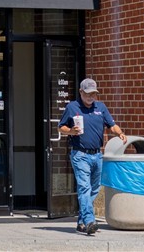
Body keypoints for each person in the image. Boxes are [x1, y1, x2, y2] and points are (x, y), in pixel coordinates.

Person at [58, 78, 126, 236]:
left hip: (97, 154)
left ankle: (81, 222)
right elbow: (61, 127)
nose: (91, 97)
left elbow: (111, 125)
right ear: (81, 92)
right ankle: (89, 221)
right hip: (80, 154)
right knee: (84, 188)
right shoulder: (72, 107)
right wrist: (71, 131)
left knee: (94, 189)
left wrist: (120, 133)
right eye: (88, 94)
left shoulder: (100, 107)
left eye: (93, 94)